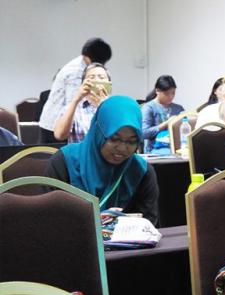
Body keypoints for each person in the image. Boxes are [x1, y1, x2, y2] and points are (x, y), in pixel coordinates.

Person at [44, 95, 159, 225]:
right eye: (114, 139)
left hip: (127, 244)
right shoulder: (64, 162)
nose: (122, 148)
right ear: (98, 132)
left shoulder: (141, 171)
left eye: (131, 142)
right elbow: (49, 219)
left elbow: (148, 224)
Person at [39, 38, 112, 143]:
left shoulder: (85, 65)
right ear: (86, 57)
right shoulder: (76, 71)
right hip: (55, 124)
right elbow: (73, 104)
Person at [52, 63, 111, 143]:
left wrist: (104, 107)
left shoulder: (116, 107)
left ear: (109, 83)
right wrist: (76, 99)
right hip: (79, 155)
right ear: (83, 83)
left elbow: (118, 135)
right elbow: (60, 135)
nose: (96, 80)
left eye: (101, 77)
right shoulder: (73, 108)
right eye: (91, 77)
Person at [141, 75, 185, 154]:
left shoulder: (178, 108)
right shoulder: (148, 107)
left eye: (173, 93)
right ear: (157, 91)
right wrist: (166, 124)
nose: (170, 96)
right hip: (155, 151)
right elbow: (144, 133)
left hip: (177, 150)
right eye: (166, 94)